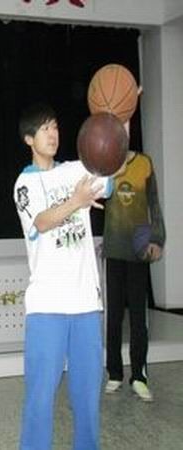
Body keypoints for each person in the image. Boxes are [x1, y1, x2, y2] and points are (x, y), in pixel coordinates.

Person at [13, 103, 114, 450]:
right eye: (44, 129)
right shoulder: (24, 184)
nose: (52, 134)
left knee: (87, 399)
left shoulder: (76, 169)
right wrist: (76, 201)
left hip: (86, 303)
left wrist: (121, 121)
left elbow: (111, 168)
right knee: (40, 398)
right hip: (47, 305)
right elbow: (41, 222)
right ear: (29, 139)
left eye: (55, 126)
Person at [102, 116, 166, 402]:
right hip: (114, 250)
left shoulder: (144, 163)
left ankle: (139, 375)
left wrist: (158, 239)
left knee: (139, 317)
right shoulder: (105, 164)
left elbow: (154, 204)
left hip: (138, 251)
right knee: (114, 316)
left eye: (125, 128)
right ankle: (114, 373)